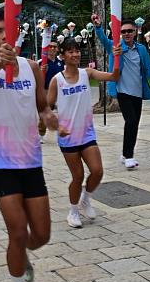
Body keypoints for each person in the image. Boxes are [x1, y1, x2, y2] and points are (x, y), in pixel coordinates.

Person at [0, 9, 62, 282]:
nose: (3, 36)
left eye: (7, 30)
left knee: (41, 235)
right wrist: (2, 60)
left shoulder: (32, 68)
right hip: (1, 163)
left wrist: (49, 117)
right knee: (16, 231)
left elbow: (41, 104)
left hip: (31, 162)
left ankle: (24, 256)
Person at [47, 37, 120, 228]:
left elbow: (114, 76)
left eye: (77, 50)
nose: (75, 54)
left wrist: (117, 58)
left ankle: (86, 199)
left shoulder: (87, 73)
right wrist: (57, 127)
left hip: (87, 134)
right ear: (62, 55)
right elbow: (46, 109)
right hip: (68, 137)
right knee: (77, 176)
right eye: (70, 51)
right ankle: (73, 212)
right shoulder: (57, 80)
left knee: (97, 171)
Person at [93, 14, 150, 170]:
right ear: (120, 33)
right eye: (123, 31)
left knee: (135, 124)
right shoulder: (116, 47)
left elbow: (148, 68)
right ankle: (129, 156)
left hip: (137, 92)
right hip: (122, 91)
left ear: (135, 32)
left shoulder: (141, 49)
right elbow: (104, 40)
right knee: (131, 121)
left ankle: (126, 155)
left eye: (129, 31)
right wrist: (98, 27)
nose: (126, 34)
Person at [39, 39, 64, 143]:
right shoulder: (42, 63)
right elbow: (37, 78)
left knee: (64, 112)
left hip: (60, 91)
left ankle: (63, 132)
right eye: (50, 46)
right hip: (46, 91)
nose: (53, 49)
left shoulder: (60, 63)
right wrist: (42, 71)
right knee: (45, 113)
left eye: (54, 47)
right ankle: (40, 134)